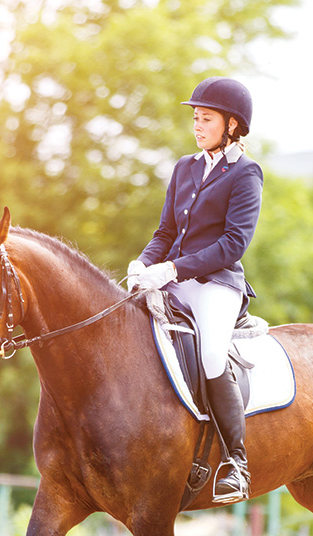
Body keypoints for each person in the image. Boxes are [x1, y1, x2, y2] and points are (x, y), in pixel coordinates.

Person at [127, 76, 263, 504]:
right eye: (195, 119)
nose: (197, 126)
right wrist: (143, 263)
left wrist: (171, 269)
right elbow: (165, 231)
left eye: (206, 119)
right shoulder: (185, 167)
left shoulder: (245, 174)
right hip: (173, 278)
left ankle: (236, 463)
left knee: (209, 355)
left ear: (232, 125)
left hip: (216, 285)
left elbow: (232, 245)